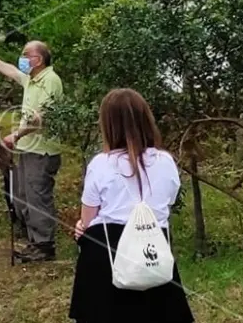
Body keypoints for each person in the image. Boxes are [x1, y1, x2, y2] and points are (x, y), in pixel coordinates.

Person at [69, 89, 194, 323]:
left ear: (108, 124)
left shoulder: (101, 164)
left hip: (106, 256)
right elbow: (169, 201)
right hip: (152, 250)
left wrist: (82, 226)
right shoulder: (165, 161)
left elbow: (87, 218)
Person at [0, 40, 64, 262]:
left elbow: (41, 119)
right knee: (23, 197)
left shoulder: (51, 81)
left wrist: (16, 135)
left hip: (42, 151)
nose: (23, 58)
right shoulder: (31, 79)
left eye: (27, 55)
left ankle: (45, 246)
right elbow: (11, 71)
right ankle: (34, 242)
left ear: (39, 59)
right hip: (27, 149)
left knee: (37, 197)